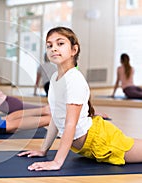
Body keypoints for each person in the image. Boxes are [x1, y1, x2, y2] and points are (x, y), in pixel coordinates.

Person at [18, 27, 142, 171]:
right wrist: (43, 150)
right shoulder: (55, 78)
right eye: (49, 45)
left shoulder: (74, 79)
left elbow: (71, 124)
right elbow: (56, 118)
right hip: (89, 147)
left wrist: (57, 162)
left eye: (60, 43)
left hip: (102, 140)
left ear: (74, 50)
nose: (53, 48)